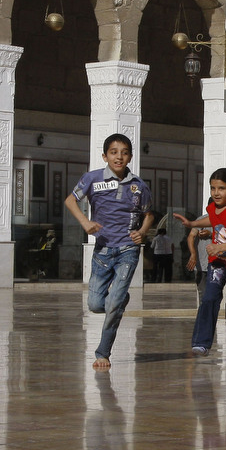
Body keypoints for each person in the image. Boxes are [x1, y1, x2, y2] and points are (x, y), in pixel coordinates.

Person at [65, 133, 153, 370]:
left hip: (128, 249)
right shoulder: (92, 179)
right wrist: (86, 223)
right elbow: (71, 201)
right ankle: (120, 300)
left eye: (124, 152)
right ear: (105, 156)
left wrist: (142, 232)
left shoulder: (138, 185)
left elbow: (149, 213)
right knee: (95, 304)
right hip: (102, 250)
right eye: (114, 152)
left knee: (112, 302)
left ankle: (103, 353)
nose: (119, 157)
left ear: (130, 156)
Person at [174, 168, 226, 361]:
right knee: (209, 298)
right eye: (213, 188)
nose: (216, 193)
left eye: (221, 188)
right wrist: (192, 224)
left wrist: (221, 246)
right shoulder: (212, 208)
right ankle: (201, 342)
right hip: (218, 263)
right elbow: (214, 219)